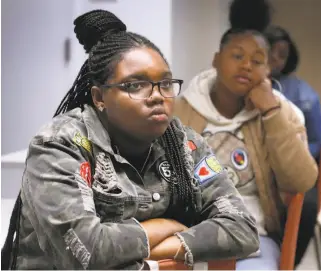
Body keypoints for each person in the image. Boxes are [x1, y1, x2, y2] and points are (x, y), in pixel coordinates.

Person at [1, 10, 260, 270]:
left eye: (166, 83)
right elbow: (86, 251)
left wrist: (168, 246)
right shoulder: (60, 145)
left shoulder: (185, 144)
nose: (158, 95)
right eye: (135, 85)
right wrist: (161, 228)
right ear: (99, 98)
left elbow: (243, 228)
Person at [174, 0, 318, 269]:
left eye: (257, 61)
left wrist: (271, 113)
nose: (246, 66)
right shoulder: (180, 111)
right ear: (216, 60)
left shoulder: (283, 112)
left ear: (268, 71)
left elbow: (302, 181)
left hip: (254, 238)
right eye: (237, 56)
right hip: (186, 235)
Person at [265, 25, 321, 266]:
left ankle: (286, 263)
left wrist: (290, 156)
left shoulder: (304, 95)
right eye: (270, 52)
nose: (275, 60)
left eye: (282, 54)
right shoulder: (243, 88)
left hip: (296, 167)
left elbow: (318, 142)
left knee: (306, 206)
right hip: (254, 166)